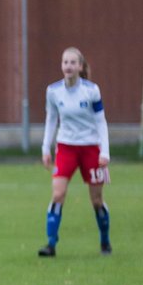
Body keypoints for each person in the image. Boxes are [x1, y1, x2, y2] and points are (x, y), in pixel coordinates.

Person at [38, 47, 111, 257]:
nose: (68, 66)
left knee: (96, 200)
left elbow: (101, 122)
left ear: (80, 66)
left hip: (91, 148)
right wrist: (46, 148)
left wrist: (104, 151)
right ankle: (51, 244)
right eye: (65, 62)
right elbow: (51, 119)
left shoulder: (91, 90)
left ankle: (105, 241)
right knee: (58, 194)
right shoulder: (53, 91)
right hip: (66, 148)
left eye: (72, 62)